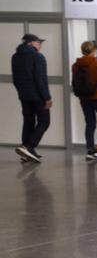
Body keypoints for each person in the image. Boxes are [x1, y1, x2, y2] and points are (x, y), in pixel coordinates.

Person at [12, 32, 52, 162]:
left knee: (28, 121)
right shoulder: (38, 57)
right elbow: (41, 80)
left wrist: (21, 92)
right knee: (44, 121)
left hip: (24, 95)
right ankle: (29, 147)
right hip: (37, 96)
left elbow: (15, 79)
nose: (40, 45)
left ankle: (27, 151)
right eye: (38, 42)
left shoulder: (15, 57)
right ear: (30, 43)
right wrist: (47, 98)